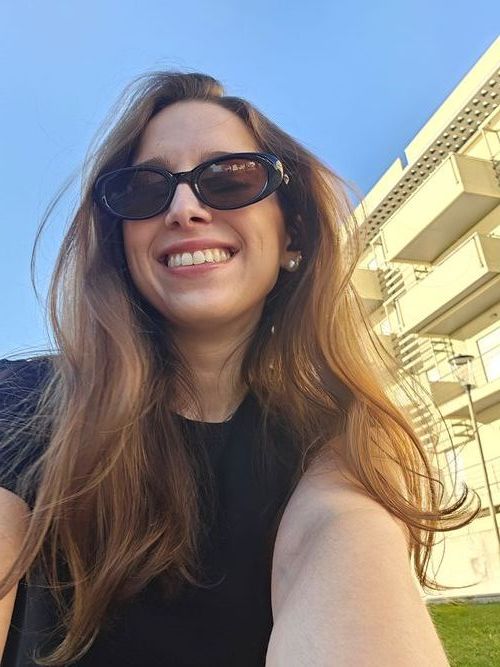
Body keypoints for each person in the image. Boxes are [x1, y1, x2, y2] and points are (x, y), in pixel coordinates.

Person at [0, 72, 476, 666]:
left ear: (292, 232)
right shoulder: (20, 405)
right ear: (120, 243)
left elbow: (341, 539)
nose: (184, 209)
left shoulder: (339, 437)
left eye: (229, 179)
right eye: (144, 190)